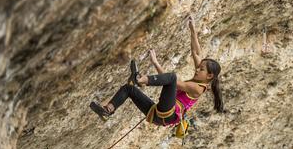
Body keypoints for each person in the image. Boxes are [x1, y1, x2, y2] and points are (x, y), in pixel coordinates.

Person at [89, 16, 224, 126]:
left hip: (167, 113)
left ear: (209, 75)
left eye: (201, 69)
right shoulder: (200, 77)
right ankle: (108, 110)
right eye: (199, 67)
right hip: (160, 113)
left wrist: (147, 77)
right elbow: (196, 52)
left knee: (172, 77)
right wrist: (192, 29)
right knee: (128, 89)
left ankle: (139, 79)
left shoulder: (197, 88)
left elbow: (173, 81)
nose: (197, 69)